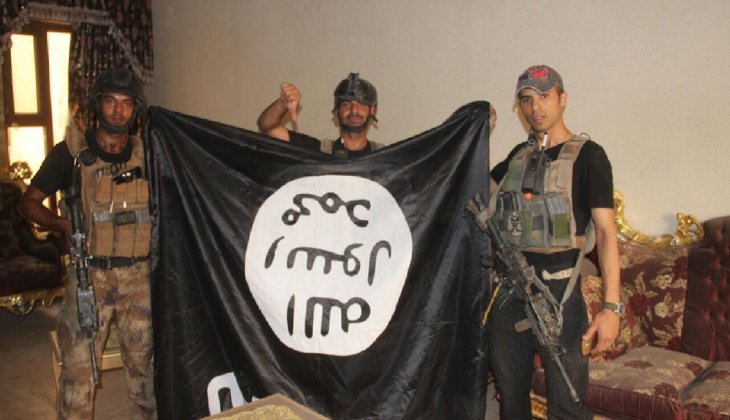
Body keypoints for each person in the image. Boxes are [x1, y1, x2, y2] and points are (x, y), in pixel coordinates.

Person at [18, 67, 156, 419]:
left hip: (139, 279)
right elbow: (28, 203)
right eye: (111, 101)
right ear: (98, 104)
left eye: (126, 103)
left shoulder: (148, 155)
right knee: (78, 375)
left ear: (135, 109)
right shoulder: (70, 154)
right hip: (89, 279)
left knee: (145, 373)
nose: (118, 111)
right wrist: (60, 224)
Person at [487, 65, 620, 419]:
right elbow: (478, 192)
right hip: (510, 293)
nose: (535, 107)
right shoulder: (518, 156)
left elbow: (606, 233)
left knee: (568, 405)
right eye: (526, 99)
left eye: (544, 96)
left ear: (563, 99)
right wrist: (476, 135)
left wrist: (611, 308)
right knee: (511, 401)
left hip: (560, 294)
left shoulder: (590, 156)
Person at [257, 72, 384, 158]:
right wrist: (282, 103)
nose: (354, 110)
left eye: (361, 104)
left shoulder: (385, 158)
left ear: (372, 110)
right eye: (346, 104)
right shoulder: (316, 151)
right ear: (336, 113)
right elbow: (268, 127)